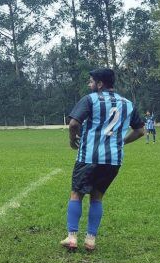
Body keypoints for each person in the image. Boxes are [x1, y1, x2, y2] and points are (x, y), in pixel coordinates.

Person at [61, 68, 145, 252]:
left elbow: (74, 123)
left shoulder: (90, 99)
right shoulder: (128, 104)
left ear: (100, 84)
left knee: (77, 193)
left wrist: (71, 140)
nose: (89, 85)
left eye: (91, 81)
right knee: (97, 197)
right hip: (113, 160)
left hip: (89, 157)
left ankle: (72, 237)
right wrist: (121, 141)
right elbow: (140, 131)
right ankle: (90, 240)